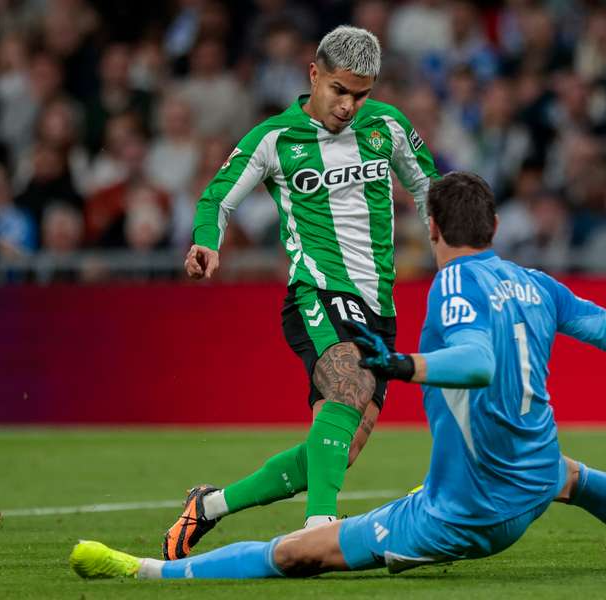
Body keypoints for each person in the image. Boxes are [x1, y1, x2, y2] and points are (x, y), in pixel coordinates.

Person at [71, 171, 606, 580]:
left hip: (464, 514)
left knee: (301, 555)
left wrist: (408, 363)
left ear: (432, 230)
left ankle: (143, 572)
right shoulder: (534, 282)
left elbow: (477, 361)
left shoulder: (453, 289)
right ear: (495, 230)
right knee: (575, 477)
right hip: (528, 479)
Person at [170, 25, 439, 558]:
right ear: (314, 75)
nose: (349, 106)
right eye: (339, 90)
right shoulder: (275, 139)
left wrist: (454, 258)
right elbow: (217, 199)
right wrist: (207, 242)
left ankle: (210, 505)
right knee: (346, 383)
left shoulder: (387, 126)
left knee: (338, 447)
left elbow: (431, 189)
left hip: (379, 308)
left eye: (360, 94)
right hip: (315, 291)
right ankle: (321, 526)